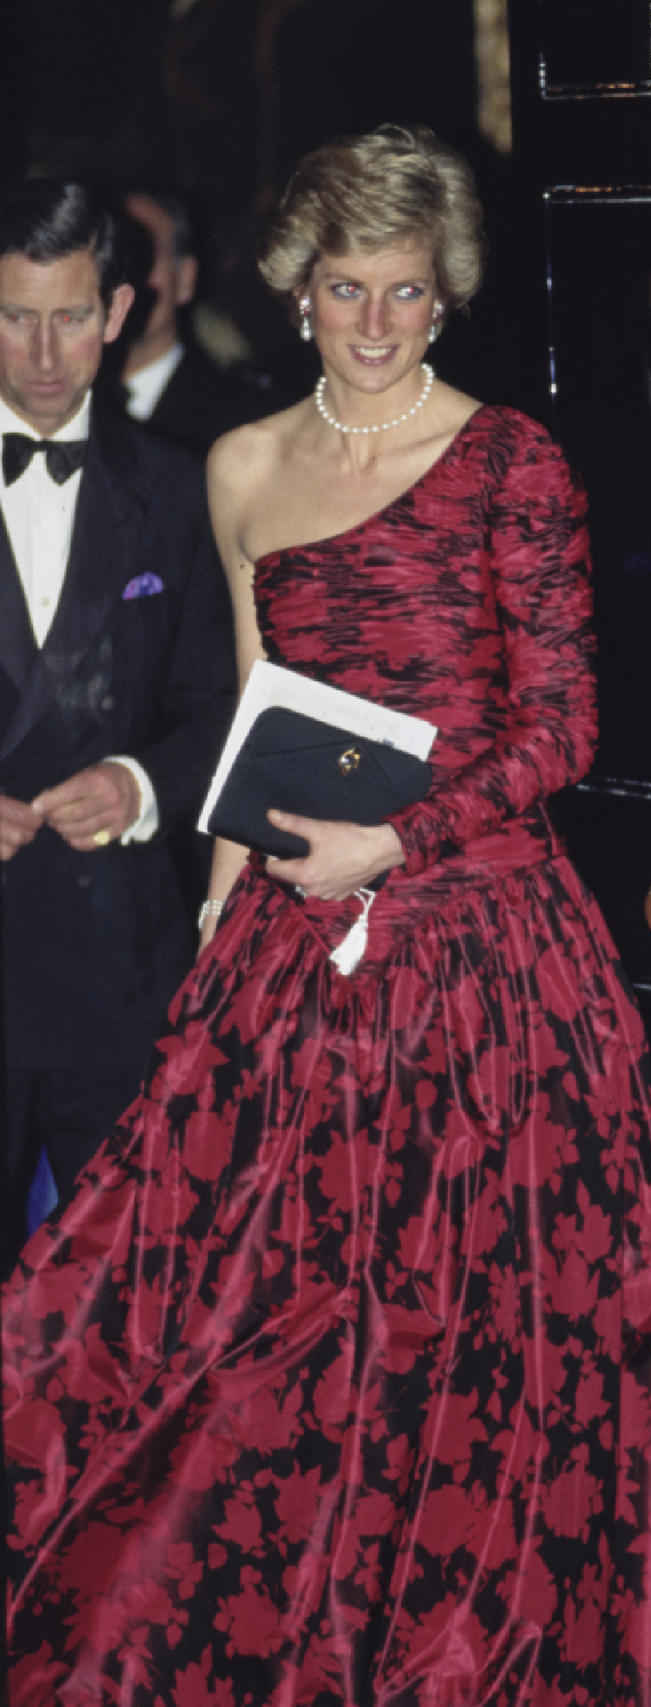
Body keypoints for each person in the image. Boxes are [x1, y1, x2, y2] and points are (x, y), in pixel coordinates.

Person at [4, 128, 651, 1705]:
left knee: (475, 1341)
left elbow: (563, 731)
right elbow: (256, 715)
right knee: (249, 1332)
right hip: (288, 960)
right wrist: (220, 920)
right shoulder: (242, 467)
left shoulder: (515, 463)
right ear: (297, 289)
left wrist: (393, 840)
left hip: (487, 966)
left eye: (405, 290)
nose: (375, 323)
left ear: (445, 296)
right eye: (343, 288)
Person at [0, 181, 236, 1261]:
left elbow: (219, 708)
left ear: (118, 310)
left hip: (119, 973)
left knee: (124, 1303)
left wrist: (141, 785)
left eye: (68, 316)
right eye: (15, 316)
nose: (45, 353)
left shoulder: (185, 492)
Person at [114, 187, 291, 454]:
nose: (125, 283)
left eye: (143, 257)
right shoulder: (60, 405)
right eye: (113, 262)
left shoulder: (255, 418)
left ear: (185, 277)